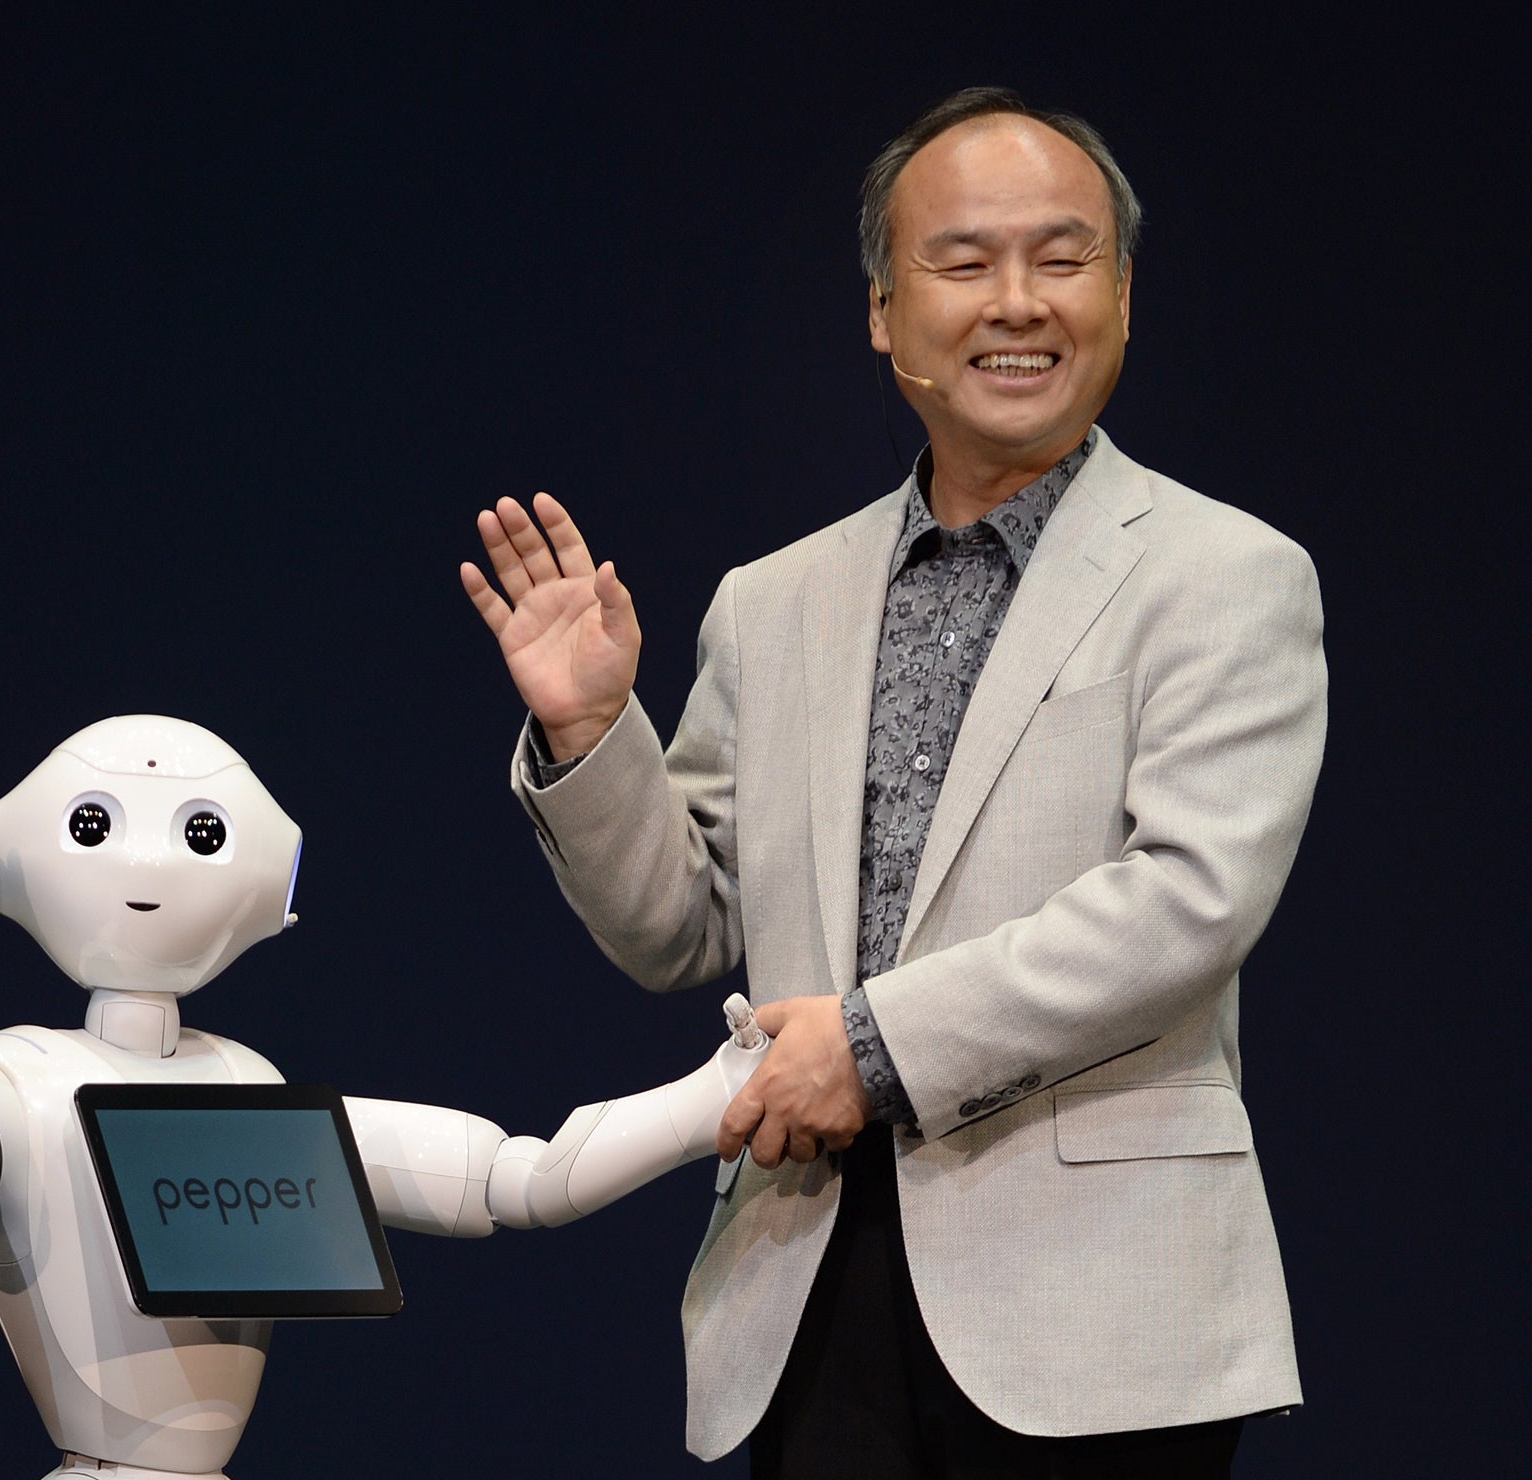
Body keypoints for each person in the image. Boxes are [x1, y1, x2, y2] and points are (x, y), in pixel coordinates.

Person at [460, 88, 1325, 1480]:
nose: (1017, 302)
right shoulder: (773, 600)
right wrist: (592, 733)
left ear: (1120, 292)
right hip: (810, 1283)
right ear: (882, 309)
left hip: (1095, 1313)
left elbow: (1189, 903)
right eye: (965, 261)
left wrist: (868, 1048)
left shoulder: (1227, 577)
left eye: (1062, 257)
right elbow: (679, 928)